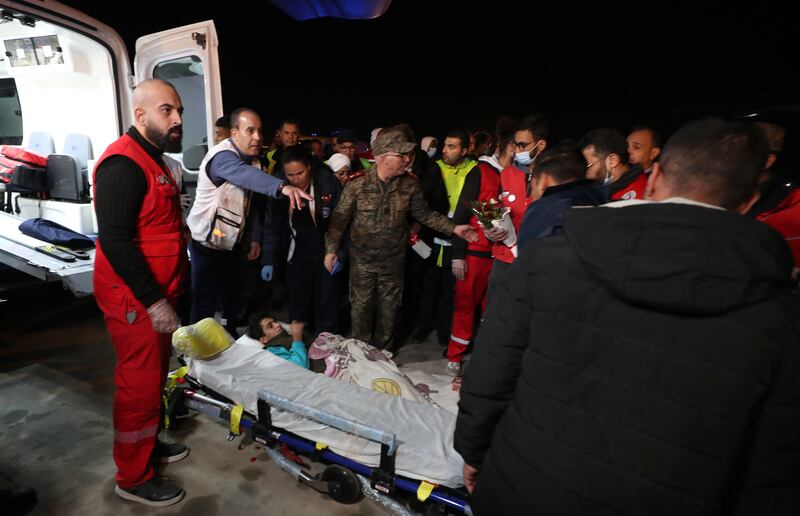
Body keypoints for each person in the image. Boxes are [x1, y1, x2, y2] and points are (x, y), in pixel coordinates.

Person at [454, 118, 800, 515]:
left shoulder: (551, 259)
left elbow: (493, 370)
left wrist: (474, 451)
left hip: (521, 485)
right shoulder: (779, 323)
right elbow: (774, 468)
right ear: (747, 202)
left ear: (654, 179)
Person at [93, 79, 189, 506]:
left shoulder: (157, 161)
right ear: (140, 115)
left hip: (156, 295)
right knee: (138, 386)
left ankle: (147, 447)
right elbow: (115, 241)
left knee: (152, 382)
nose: (178, 119)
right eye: (167, 111)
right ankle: (132, 476)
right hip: (135, 300)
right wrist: (154, 302)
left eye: (179, 111)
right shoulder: (123, 164)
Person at [324, 127, 478, 350]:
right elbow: (338, 221)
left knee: (389, 311)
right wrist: (331, 250)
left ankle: (384, 356)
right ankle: (360, 356)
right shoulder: (357, 184)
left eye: (408, 154)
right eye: (401, 155)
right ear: (384, 157)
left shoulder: (410, 184)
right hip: (363, 264)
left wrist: (455, 229)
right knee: (360, 309)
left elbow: (425, 215)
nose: (407, 159)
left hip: (393, 263)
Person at [186, 108, 311, 336]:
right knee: (204, 299)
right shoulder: (222, 157)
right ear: (234, 134)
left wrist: (254, 238)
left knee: (231, 296)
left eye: (260, 131)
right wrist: (283, 186)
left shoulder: (255, 163)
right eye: (250, 131)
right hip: (207, 244)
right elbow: (245, 176)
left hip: (232, 243)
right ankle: (193, 350)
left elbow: (251, 207)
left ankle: (228, 333)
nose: (257, 137)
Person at [262, 145, 342, 334]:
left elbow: (340, 221)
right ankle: (300, 344)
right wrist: (268, 261)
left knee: (326, 301)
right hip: (295, 251)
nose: (296, 179)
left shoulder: (326, 181)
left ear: (309, 167)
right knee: (298, 302)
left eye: (300, 173)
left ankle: (326, 344)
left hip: (325, 249)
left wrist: (339, 253)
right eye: (290, 175)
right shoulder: (279, 185)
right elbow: (272, 226)